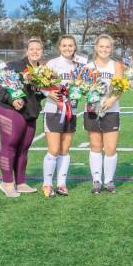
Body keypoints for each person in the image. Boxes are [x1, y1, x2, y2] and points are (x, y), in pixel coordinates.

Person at [0, 37, 46, 197]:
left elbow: (40, 93)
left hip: (30, 112)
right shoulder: (15, 66)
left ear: (42, 51)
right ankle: (7, 183)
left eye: (38, 49)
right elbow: (2, 87)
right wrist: (13, 99)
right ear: (27, 51)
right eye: (32, 49)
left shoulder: (43, 70)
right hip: (10, 110)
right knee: (9, 145)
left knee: (24, 148)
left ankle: (21, 182)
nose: (35, 52)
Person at [84, 34, 124, 194]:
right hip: (92, 110)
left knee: (111, 147)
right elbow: (82, 88)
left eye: (108, 47)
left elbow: (120, 87)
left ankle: (109, 181)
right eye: (101, 46)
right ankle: (96, 181)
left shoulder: (116, 65)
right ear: (96, 48)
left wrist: (112, 100)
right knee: (95, 146)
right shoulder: (88, 67)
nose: (104, 49)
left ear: (111, 49)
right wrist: (89, 95)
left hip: (111, 110)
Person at [41, 35, 79, 198]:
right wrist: (50, 94)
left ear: (75, 47)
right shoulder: (52, 64)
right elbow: (41, 85)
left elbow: (84, 85)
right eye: (64, 45)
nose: (67, 48)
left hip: (72, 110)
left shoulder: (79, 65)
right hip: (53, 111)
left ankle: (61, 184)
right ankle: (47, 184)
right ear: (59, 47)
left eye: (70, 45)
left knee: (64, 149)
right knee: (54, 149)